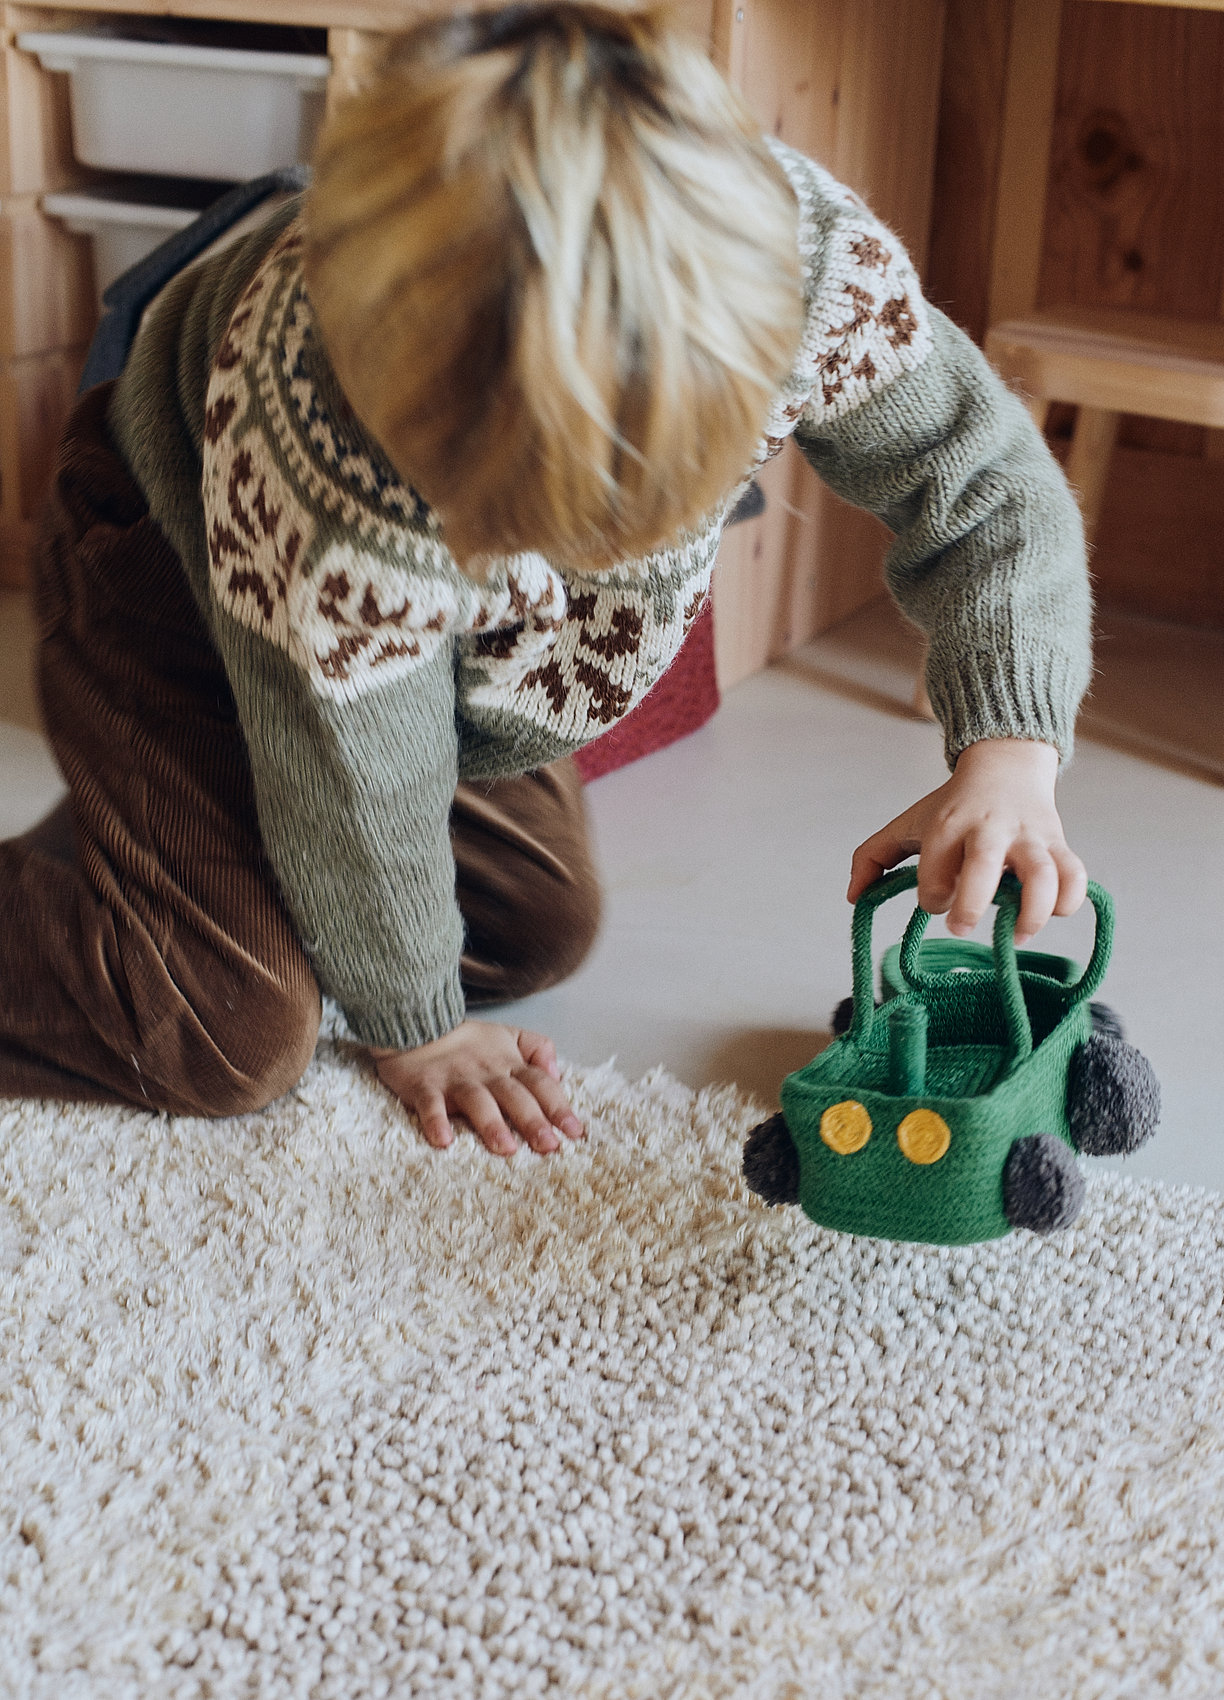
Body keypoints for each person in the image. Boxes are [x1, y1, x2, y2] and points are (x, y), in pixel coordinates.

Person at [0, 1, 1090, 1155]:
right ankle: (164, 812)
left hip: (418, 654)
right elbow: (360, 769)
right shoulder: (327, 445)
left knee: (532, 928)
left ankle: (177, 826)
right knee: (226, 1029)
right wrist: (414, 1025)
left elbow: (983, 483)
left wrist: (1009, 750)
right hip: (167, 576)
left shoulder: (805, 271)